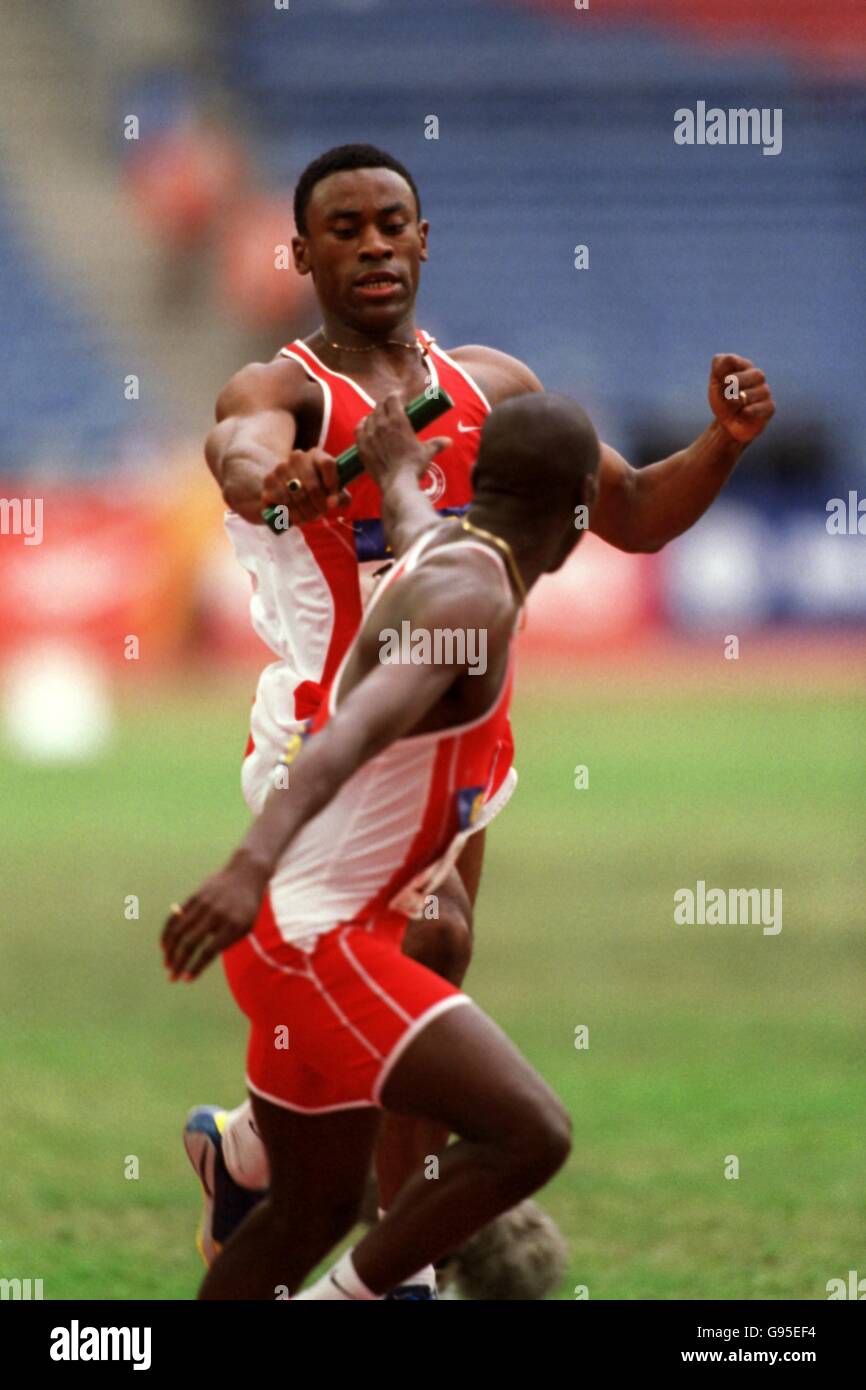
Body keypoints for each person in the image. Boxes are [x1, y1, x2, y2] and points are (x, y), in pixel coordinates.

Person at [185, 141, 776, 1290]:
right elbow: (237, 450)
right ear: (298, 252)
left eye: (390, 223)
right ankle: (388, 1256)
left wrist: (722, 442)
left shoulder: (492, 389)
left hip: (459, 731)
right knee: (431, 942)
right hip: (329, 725)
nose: (370, 245)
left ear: (421, 238)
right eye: (343, 229)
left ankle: (259, 1152)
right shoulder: (290, 391)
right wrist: (272, 480)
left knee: (424, 975)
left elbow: (637, 513)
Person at [163, 388, 600, 1299]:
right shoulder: (470, 601)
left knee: (306, 1217)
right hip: (315, 943)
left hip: (294, 937)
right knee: (531, 1134)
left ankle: (245, 1174)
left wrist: (397, 458)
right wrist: (248, 865)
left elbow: (406, 507)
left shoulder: (450, 548)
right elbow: (351, 734)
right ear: (576, 516)